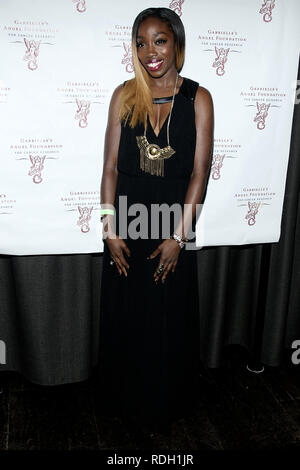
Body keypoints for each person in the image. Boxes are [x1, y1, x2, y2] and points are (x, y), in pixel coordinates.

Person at [97, 7, 214, 434]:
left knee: (167, 321)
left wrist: (179, 239)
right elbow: (110, 167)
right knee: (127, 319)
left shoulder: (198, 99)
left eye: (160, 40)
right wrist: (108, 229)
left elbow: (200, 173)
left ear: (176, 43)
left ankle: (166, 405)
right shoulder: (124, 95)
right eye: (142, 42)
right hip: (125, 227)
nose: (151, 51)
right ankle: (123, 401)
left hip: (172, 227)